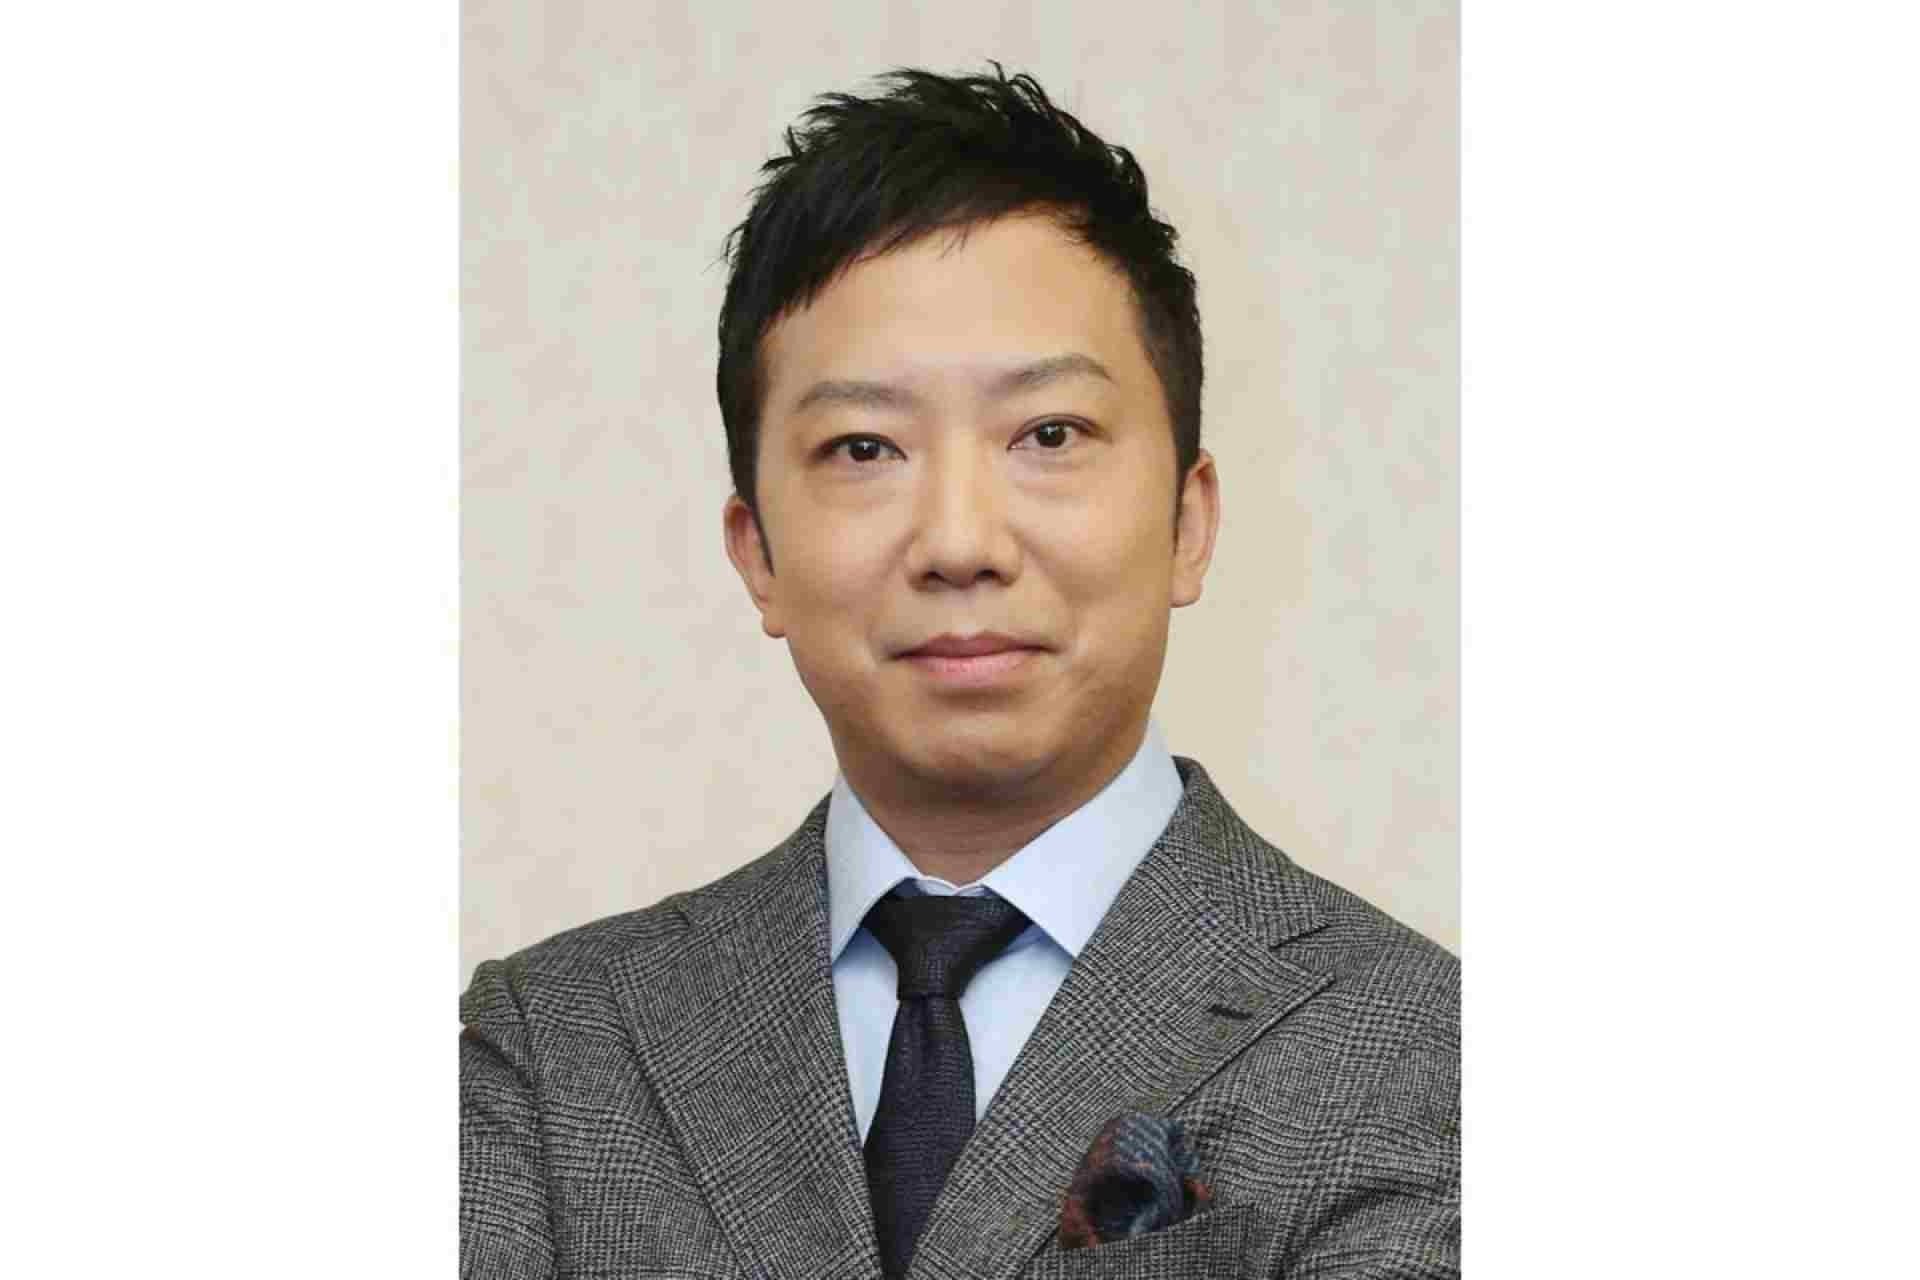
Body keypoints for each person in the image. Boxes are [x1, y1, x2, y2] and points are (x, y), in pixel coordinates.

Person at [461, 65, 1458, 1280]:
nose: (959, 541)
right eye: (863, 447)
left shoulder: (1426, 1050)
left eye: (1049, 434)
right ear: (757, 553)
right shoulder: (550, 1049)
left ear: (1189, 523)